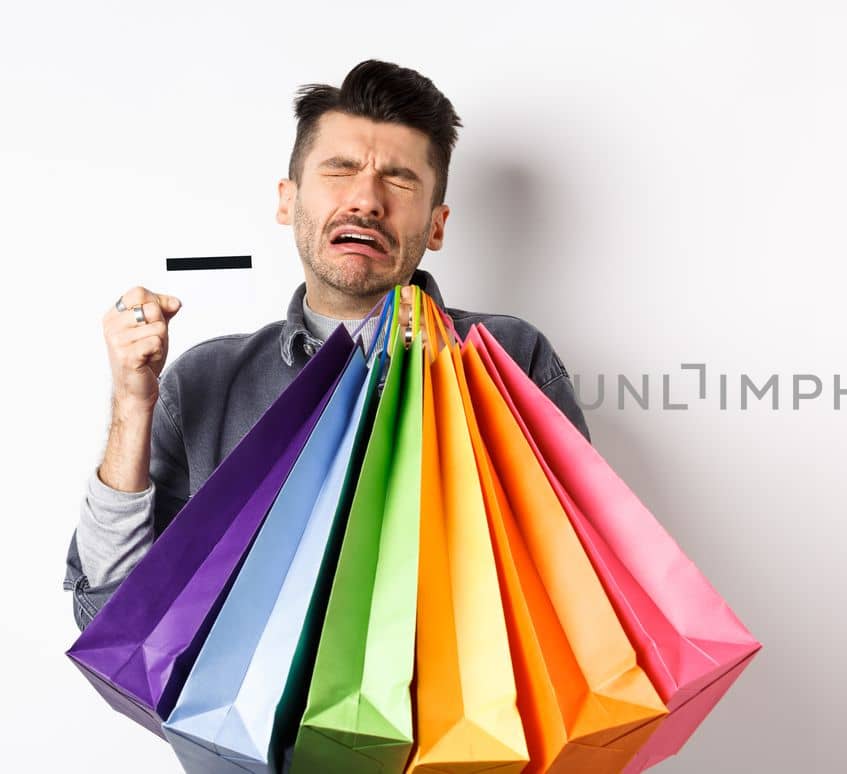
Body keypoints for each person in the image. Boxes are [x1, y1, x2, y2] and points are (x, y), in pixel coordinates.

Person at [65, 59, 591, 630]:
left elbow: (577, 592)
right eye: (339, 170)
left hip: (464, 717)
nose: (366, 200)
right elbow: (112, 617)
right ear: (288, 200)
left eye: (399, 178)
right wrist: (131, 405)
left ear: (436, 225)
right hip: (253, 722)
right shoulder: (206, 382)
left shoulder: (508, 357)